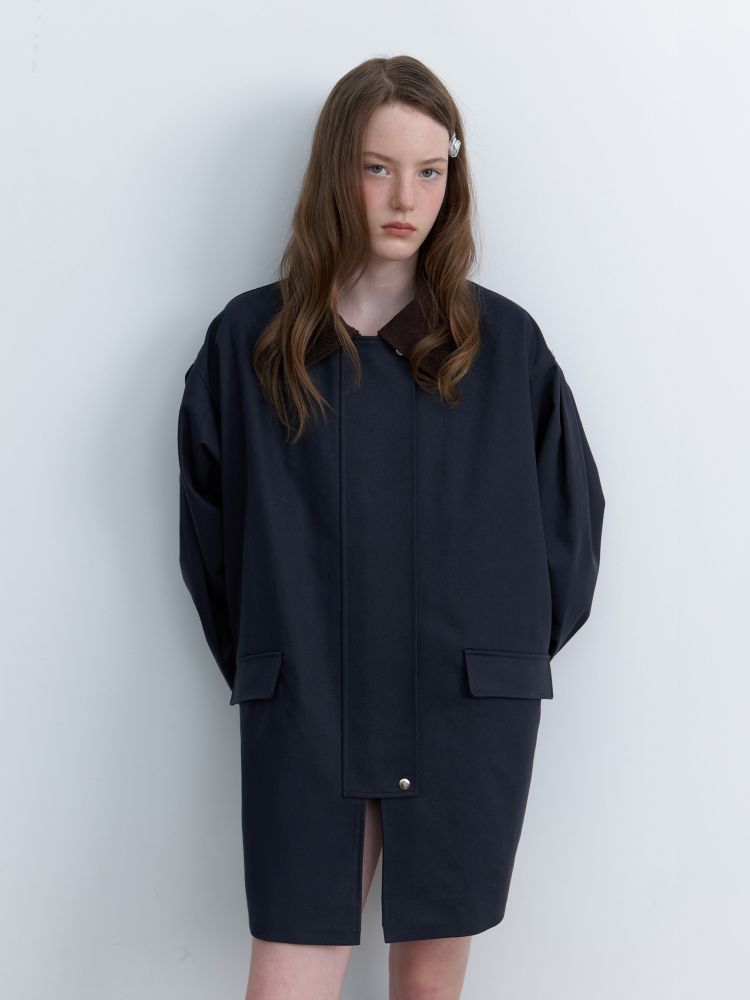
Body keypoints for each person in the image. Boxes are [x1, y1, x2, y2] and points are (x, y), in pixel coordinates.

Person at [177, 55, 605, 1000]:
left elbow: (569, 534)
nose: (405, 198)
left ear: (453, 178)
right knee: (287, 972)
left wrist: (492, 661)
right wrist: (279, 659)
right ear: (336, 171)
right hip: (305, 700)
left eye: (429, 171)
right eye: (376, 168)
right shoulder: (250, 345)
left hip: (463, 707)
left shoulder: (504, 348)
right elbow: (212, 546)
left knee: (428, 986)